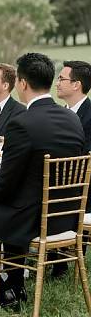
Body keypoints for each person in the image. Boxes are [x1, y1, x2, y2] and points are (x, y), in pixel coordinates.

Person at [0, 53, 84, 310]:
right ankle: (15, 286)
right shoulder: (72, 119)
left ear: (21, 83)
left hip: (29, 218)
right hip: (65, 217)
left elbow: (5, 182)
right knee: (13, 203)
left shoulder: (22, 123)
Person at [51, 60, 91, 278]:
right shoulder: (59, 112)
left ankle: (63, 257)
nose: (57, 83)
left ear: (76, 85)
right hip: (59, 176)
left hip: (84, 183)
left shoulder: (90, 115)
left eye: (61, 79)